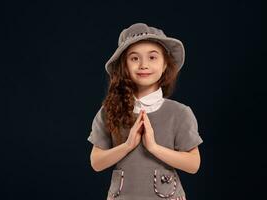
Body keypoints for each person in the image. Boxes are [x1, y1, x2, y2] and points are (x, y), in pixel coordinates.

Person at [87, 22, 203, 200]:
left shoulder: (179, 113)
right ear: (124, 66)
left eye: (152, 57)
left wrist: (154, 147)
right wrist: (127, 145)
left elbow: (193, 164)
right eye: (134, 58)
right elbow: (96, 162)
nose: (143, 65)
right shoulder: (109, 110)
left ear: (165, 65)